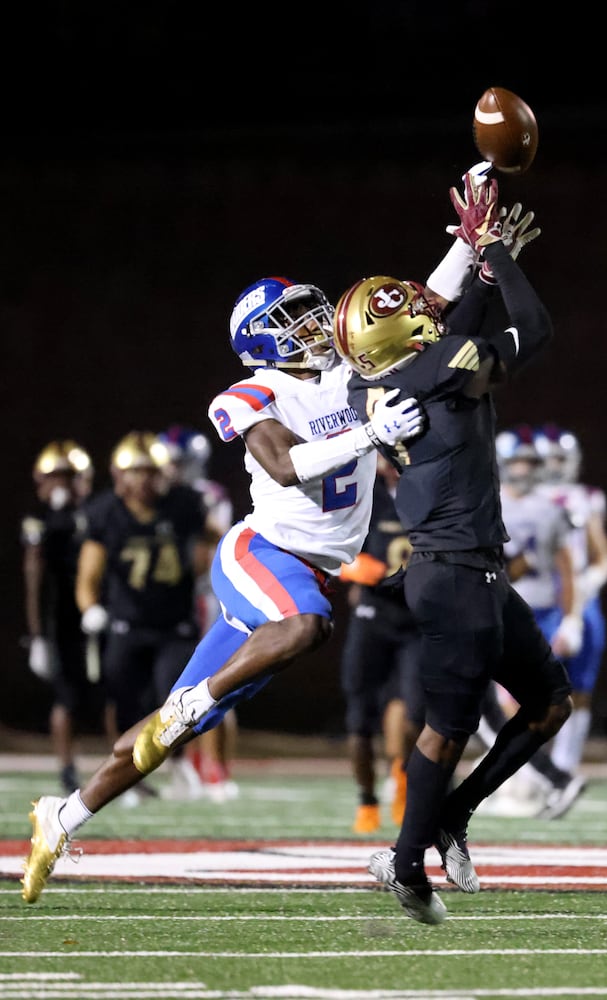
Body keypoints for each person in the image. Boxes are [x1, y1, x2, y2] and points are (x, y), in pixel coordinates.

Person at [20, 275, 426, 904]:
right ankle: (193, 701)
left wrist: (475, 248)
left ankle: (61, 817)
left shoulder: (344, 373)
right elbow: (287, 467)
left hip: (307, 570)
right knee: (307, 625)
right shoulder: (249, 392)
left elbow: (417, 307)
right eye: (296, 316)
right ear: (260, 335)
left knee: (171, 729)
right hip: (262, 555)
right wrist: (370, 435)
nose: (317, 324)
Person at [332, 170, 574, 924]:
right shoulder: (439, 369)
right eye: (408, 307)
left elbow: (451, 325)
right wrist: (495, 257)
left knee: (547, 704)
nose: (421, 305)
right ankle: (406, 864)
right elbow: (530, 331)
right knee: (447, 727)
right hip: (453, 574)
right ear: (397, 335)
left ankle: (447, 819)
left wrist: (474, 256)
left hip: (470, 572)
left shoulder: (375, 381)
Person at [74, 430, 213, 805]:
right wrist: (90, 609)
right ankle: (122, 773)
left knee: (179, 699)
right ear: (119, 475)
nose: (144, 480)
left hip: (176, 623)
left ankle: (180, 762)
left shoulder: (185, 503)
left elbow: (217, 539)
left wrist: (215, 572)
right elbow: (88, 574)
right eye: (136, 471)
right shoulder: (105, 512)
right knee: (123, 700)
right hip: (126, 622)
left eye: (151, 471)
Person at [473, 425, 587, 819]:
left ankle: (537, 780)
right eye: (517, 461)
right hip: (501, 609)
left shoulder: (550, 508)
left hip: (535, 613)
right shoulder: (490, 502)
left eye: (529, 461)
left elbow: (564, 566)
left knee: (509, 704)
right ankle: (536, 780)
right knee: (501, 705)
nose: (523, 468)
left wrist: (571, 617)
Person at [339, 453, 423, 833]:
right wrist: (352, 567)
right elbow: (331, 544)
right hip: (373, 617)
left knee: (415, 713)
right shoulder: (363, 493)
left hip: (416, 619)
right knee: (359, 720)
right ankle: (366, 800)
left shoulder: (431, 491)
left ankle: (403, 780)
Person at [21, 440, 109, 795]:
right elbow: (34, 576)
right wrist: (37, 635)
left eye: (69, 477)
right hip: (60, 619)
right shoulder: (38, 520)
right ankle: (68, 769)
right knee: (67, 698)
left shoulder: (97, 512)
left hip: (99, 612)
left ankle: (123, 765)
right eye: (55, 477)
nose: (62, 485)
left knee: (117, 690)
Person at [159, 424, 240, 802]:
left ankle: (216, 769)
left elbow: (208, 547)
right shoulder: (163, 496)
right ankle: (187, 765)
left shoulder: (207, 496)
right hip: (172, 600)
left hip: (205, 596)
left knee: (214, 684)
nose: (171, 470)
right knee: (178, 685)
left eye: (178, 463)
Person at [533, 422, 607, 778]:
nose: (557, 464)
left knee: (580, 688)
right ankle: (528, 770)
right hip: (537, 599)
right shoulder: (518, 495)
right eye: (550, 457)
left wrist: (586, 584)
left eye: (562, 457)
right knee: (524, 691)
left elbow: (604, 557)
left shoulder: (587, 498)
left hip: (578, 602)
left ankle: (564, 768)